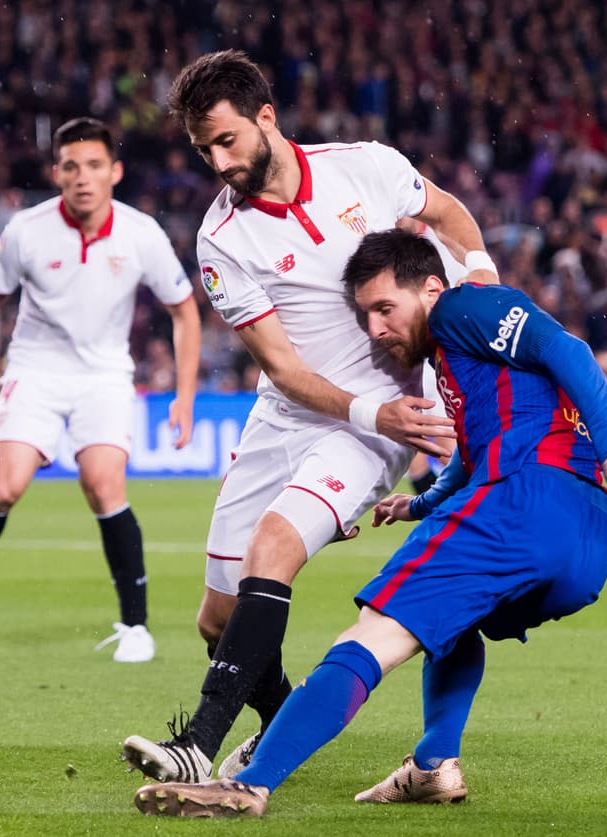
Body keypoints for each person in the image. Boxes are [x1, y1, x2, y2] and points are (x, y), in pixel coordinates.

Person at [132, 227, 607, 817]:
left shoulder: (465, 306)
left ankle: (250, 783)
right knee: (454, 625)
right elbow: (478, 447)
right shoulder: (462, 363)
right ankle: (434, 765)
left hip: (520, 504)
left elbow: (569, 350)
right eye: (365, 315)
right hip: (585, 540)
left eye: (386, 308)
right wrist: (423, 503)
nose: (376, 329)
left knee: (373, 634)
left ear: (431, 288)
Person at [120, 50, 499, 781]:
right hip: (291, 415)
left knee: (275, 545)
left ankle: (196, 746)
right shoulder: (221, 240)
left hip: (371, 430)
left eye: (226, 140)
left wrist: (479, 278)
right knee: (216, 620)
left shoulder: (365, 166)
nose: (216, 161)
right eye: (203, 149)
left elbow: (447, 214)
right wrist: (371, 409)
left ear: (267, 117)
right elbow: (285, 371)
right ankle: (276, 725)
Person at [0, 117, 201, 663]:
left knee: (103, 485)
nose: (82, 177)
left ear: (115, 171)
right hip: (34, 370)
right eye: (71, 166)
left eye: (94, 165)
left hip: (104, 374)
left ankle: (135, 626)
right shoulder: (26, 230)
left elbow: (184, 311)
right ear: (56, 173)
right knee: (2, 490)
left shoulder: (140, 233)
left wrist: (184, 396)